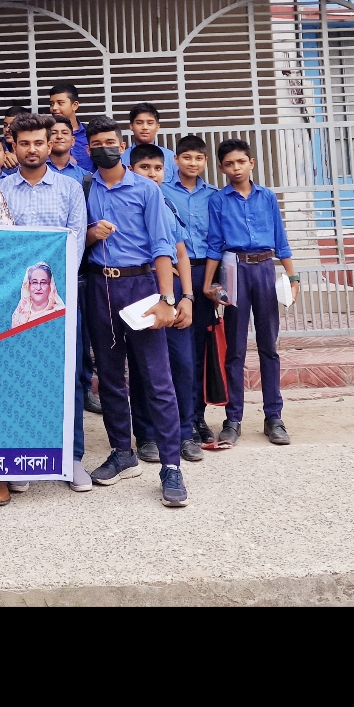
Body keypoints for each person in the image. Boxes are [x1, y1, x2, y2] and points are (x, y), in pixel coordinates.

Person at [81, 120, 188, 506]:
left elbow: (162, 246)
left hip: (141, 286)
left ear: (122, 145)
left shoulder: (145, 189)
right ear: (88, 149)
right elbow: (76, 239)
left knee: (157, 378)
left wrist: (168, 299)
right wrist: (92, 234)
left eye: (110, 142)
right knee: (110, 377)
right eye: (96, 144)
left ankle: (171, 466)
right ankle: (122, 453)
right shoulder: (85, 187)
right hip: (100, 286)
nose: (104, 149)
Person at [0, 115, 90, 499]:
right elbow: (0, 248)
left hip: (62, 299)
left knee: (69, 376)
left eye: (39, 142)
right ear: (14, 147)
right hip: (16, 303)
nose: (32, 149)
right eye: (25, 143)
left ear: (49, 146)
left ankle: (73, 456)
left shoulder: (70, 188)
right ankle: (21, 457)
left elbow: (76, 242)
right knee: (17, 376)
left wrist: (54, 290)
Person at [204, 141, 299, 448]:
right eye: (229, 163)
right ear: (221, 168)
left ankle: (274, 418)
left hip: (265, 269)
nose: (236, 168)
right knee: (235, 349)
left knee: (268, 346)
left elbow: (281, 240)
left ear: (251, 163)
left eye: (241, 162)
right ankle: (233, 420)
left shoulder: (267, 196)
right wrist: (209, 283)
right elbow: (214, 244)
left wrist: (293, 277)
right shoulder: (218, 200)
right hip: (234, 270)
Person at [127, 142, 203, 467]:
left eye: (157, 168)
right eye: (144, 168)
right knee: (143, 367)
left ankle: (184, 433)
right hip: (141, 293)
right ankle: (146, 435)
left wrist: (187, 298)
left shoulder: (168, 205)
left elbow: (181, 255)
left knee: (182, 365)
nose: (152, 174)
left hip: (173, 295)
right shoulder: (126, 204)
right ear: (131, 171)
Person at [164, 135, 216, 443]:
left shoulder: (214, 196)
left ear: (205, 161)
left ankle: (197, 417)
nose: (192, 163)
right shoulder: (161, 191)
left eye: (198, 158)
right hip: (173, 275)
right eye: (186, 157)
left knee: (199, 351)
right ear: (176, 160)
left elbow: (220, 240)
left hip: (205, 275)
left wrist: (216, 282)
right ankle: (176, 419)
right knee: (176, 353)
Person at [122, 104, 177, 182]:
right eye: (139, 123)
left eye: (150, 123)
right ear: (131, 126)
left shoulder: (170, 157)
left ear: (157, 127)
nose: (145, 127)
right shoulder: (121, 158)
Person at [48, 83, 92, 171]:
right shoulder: (45, 134)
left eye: (60, 103)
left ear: (74, 105)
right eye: (52, 104)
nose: (54, 108)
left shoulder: (90, 133)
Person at [48, 116, 91, 193]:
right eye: (53, 133)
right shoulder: (36, 171)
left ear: (73, 140)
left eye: (64, 133)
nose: (59, 136)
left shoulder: (85, 177)